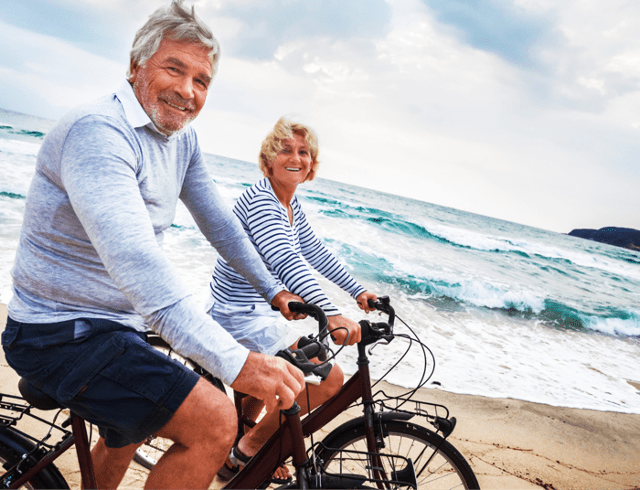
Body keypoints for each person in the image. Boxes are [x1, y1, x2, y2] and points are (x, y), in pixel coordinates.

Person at [1, 2, 307, 489]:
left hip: (114, 328)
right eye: (175, 68)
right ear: (135, 66)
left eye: (202, 80)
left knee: (131, 428)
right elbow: (139, 265)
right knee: (215, 422)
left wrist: (273, 290)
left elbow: (223, 227)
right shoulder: (99, 133)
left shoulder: (180, 141)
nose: (188, 91)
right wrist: (238, 362)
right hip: (56, 333)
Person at [207, 117, 378, 480]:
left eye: (304, 152)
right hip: (237, 313)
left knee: (310, 357)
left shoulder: (288, 205)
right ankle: (248, 449)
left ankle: (248, 430)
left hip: (260, 312)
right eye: (286, 149)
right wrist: (330, 315)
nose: (296, 157)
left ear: (311, 165)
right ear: (268, 159)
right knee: (329, 379)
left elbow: (313, 252)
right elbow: (285, 258)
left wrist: (358, 291)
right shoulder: (262, 202)